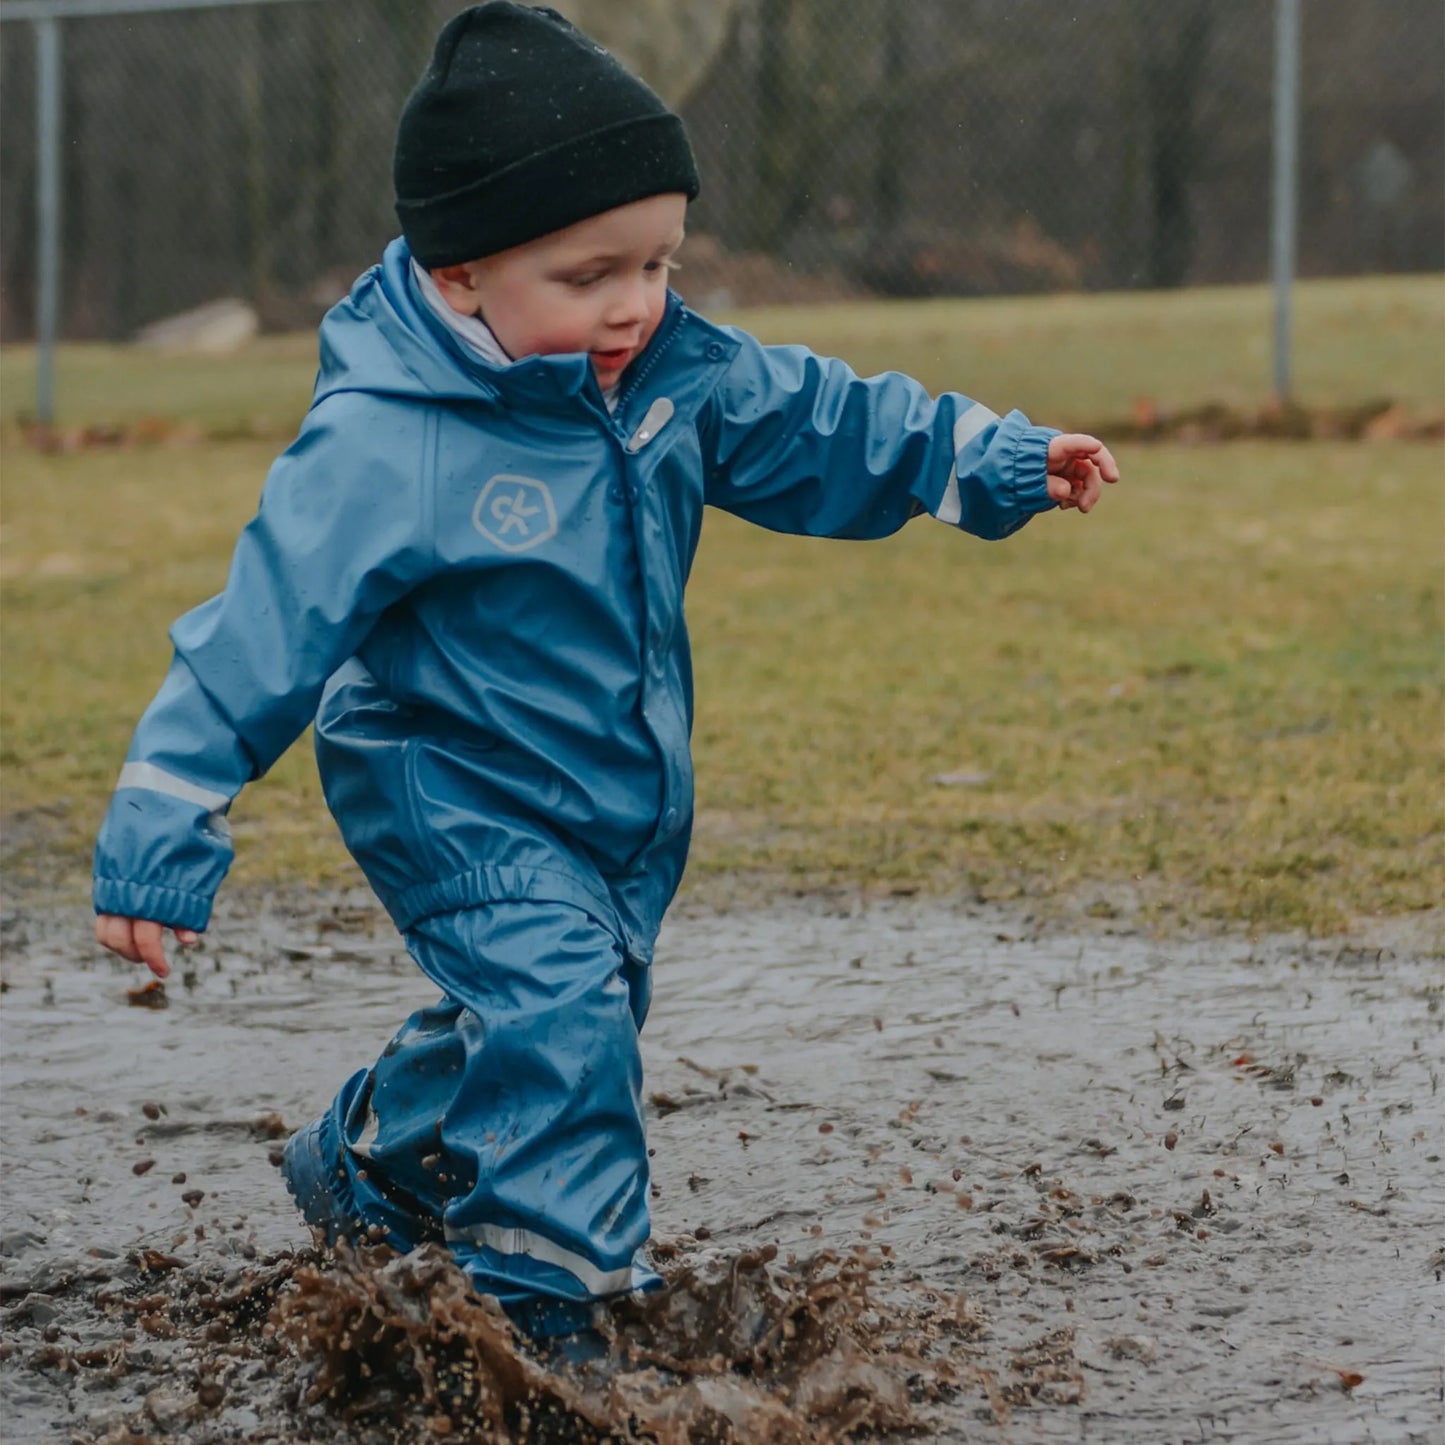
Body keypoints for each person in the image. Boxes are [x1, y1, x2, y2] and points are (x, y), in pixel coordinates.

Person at [92, 2, 1118, 1344]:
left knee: (526, 1015)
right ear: (460, 273)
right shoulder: (384, 439)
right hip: (448, 787)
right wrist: (164, 812)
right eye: (589, 275)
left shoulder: (667, 372)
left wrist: (987, 457)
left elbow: (825, 421)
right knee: (564, 1012)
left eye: (658, 260)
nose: (635, 301)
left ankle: (370, 1164)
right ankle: (553, 1323)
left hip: (610, 790)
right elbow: (260, 627)